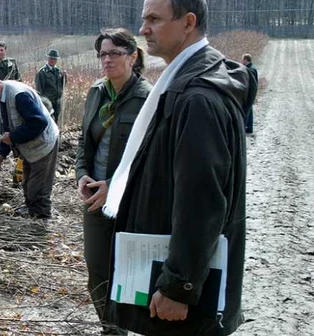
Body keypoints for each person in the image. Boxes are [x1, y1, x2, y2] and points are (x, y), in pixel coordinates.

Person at [101, 0, 248, 335]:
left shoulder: (197, 98)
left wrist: (177, 286)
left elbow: (202, 202)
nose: (143, 30)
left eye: (154, 19)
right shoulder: (183, 82)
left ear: (188, 22)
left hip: (186, 303)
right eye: (143, 19)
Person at [75, 28, 152, 335]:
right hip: (96, 199)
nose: (107, 60)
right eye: (102, 54)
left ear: (133, 57)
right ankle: (112, 329)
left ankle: (135, 326)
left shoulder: (147, 98)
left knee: (133, 271)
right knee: (98, 271)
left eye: (114, 54)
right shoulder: (96, 92)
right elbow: (84, 142)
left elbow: (151, 158)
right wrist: (82, 174)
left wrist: (114, 185)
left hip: (132, 200)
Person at [0, 68, 59, 219]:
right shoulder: (0, 97)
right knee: (27, 186)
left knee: (38, 191)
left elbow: (39, 122)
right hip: (30, 147)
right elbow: (8, 126)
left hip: (44, 145)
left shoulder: (19, 95)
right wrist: (1, 152)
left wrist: (13, 136)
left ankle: (42, 225)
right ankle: (33, 214)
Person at [35, 49, 67, 123]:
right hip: (48, 102)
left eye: (54, 59)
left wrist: (64, 77)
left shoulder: (58, 71)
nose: (53, 60)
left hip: (57, 101)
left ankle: (55, 134)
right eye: (51, 58)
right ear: (48, 58)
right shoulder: (42, 72)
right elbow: (39, 91)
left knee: (56, 120)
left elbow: (62, 85)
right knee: (48, 121)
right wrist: (43, 102)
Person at [241, 53, 258, 135]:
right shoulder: (252, 68)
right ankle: (249, 128)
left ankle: (246, 127)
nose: (241, 61)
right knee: (249, 110)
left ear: (245, 60)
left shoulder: (250, 70)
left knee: (247, 110)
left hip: (249, 93)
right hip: (252, 92)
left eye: (242, 59)